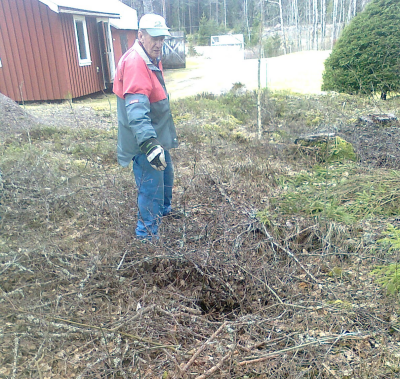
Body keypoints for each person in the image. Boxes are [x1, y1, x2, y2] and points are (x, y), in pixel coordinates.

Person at [113, 14, 178, 240]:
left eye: (162, 38)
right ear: (140, 35)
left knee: (166, 175)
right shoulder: (135, 63)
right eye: (154, 38)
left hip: (156, 134)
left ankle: (164, 212)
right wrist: (150, 145)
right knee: (151, 187)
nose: (159, 43)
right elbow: (137, 110)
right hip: (144, 140)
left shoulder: (150, 56)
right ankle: (146, 237)